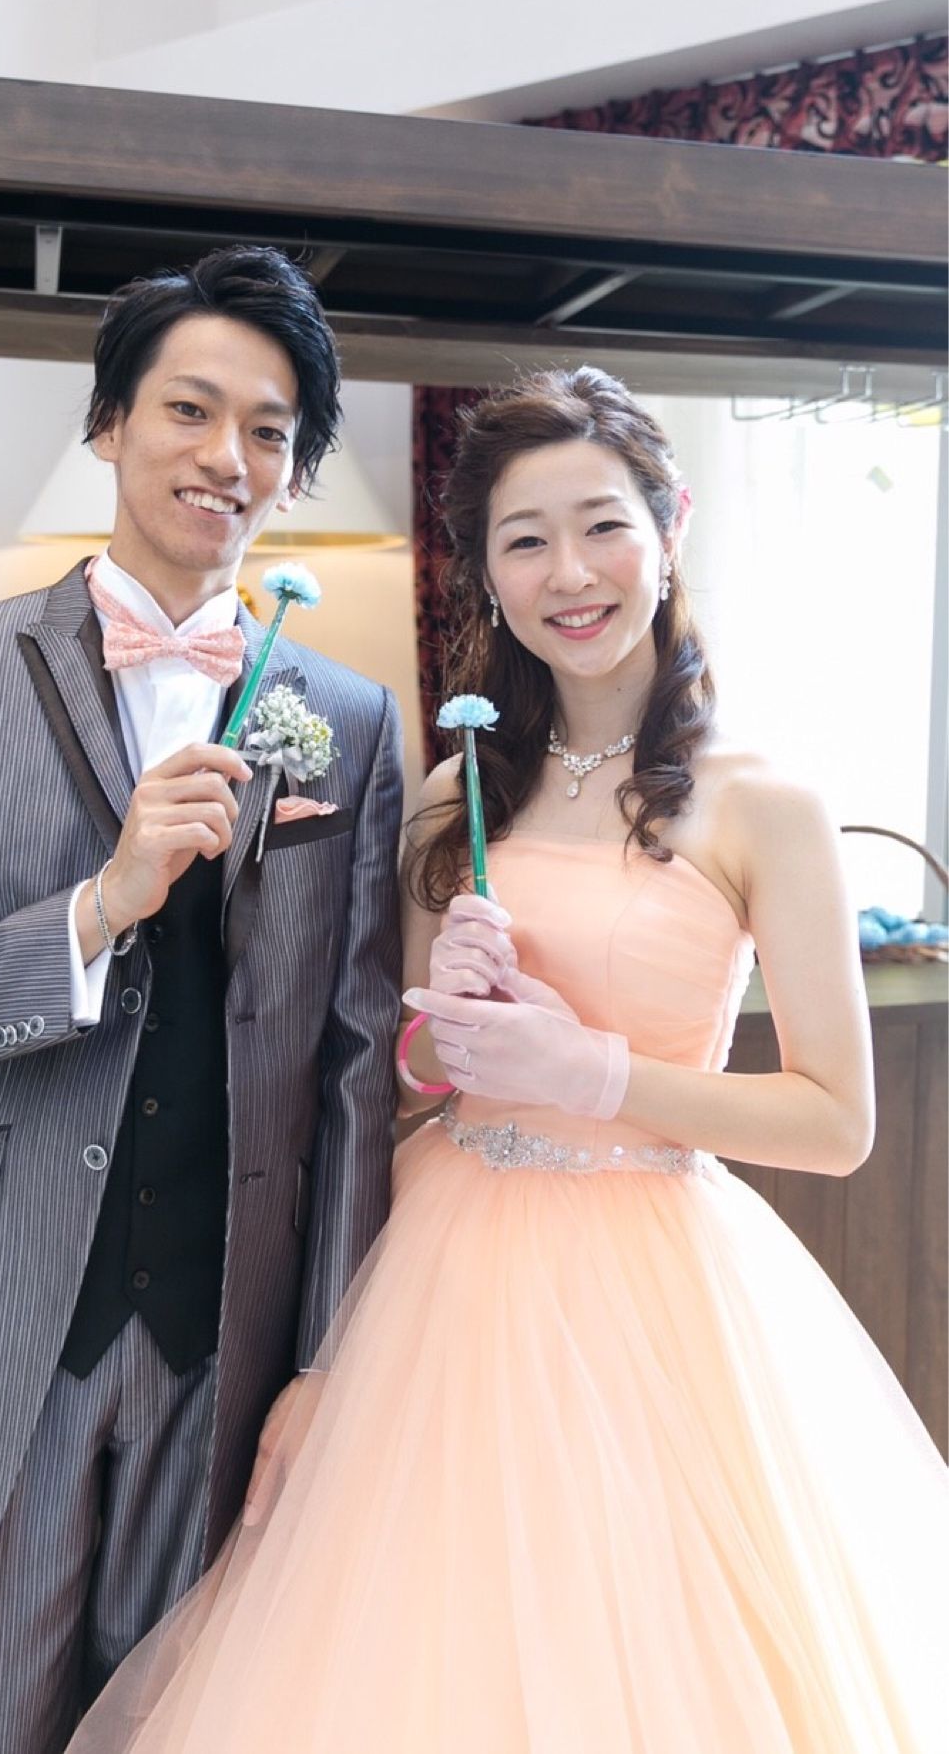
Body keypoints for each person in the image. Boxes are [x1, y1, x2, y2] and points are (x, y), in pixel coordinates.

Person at [69, 367, 947, 1754]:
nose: (569, 575)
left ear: (670, 524)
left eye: (601, 527)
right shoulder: (458, 789)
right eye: (524, 541)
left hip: (648, 1286)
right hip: (439, 1273)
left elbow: (834, 1122)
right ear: (482, 572)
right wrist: (451, 1027)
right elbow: (410, 1082)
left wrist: (594, 1073)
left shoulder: (766, 804)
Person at [0, 245, 404, 1754]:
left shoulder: (341, 717)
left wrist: (324, 1365)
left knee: (191, 1721)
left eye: (267, 431)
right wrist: (101, 902)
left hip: (231, 1329)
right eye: (189, 410)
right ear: (108, 424)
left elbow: (349, 1067)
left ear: (293, 472)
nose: (226, 458)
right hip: (11, 1311)